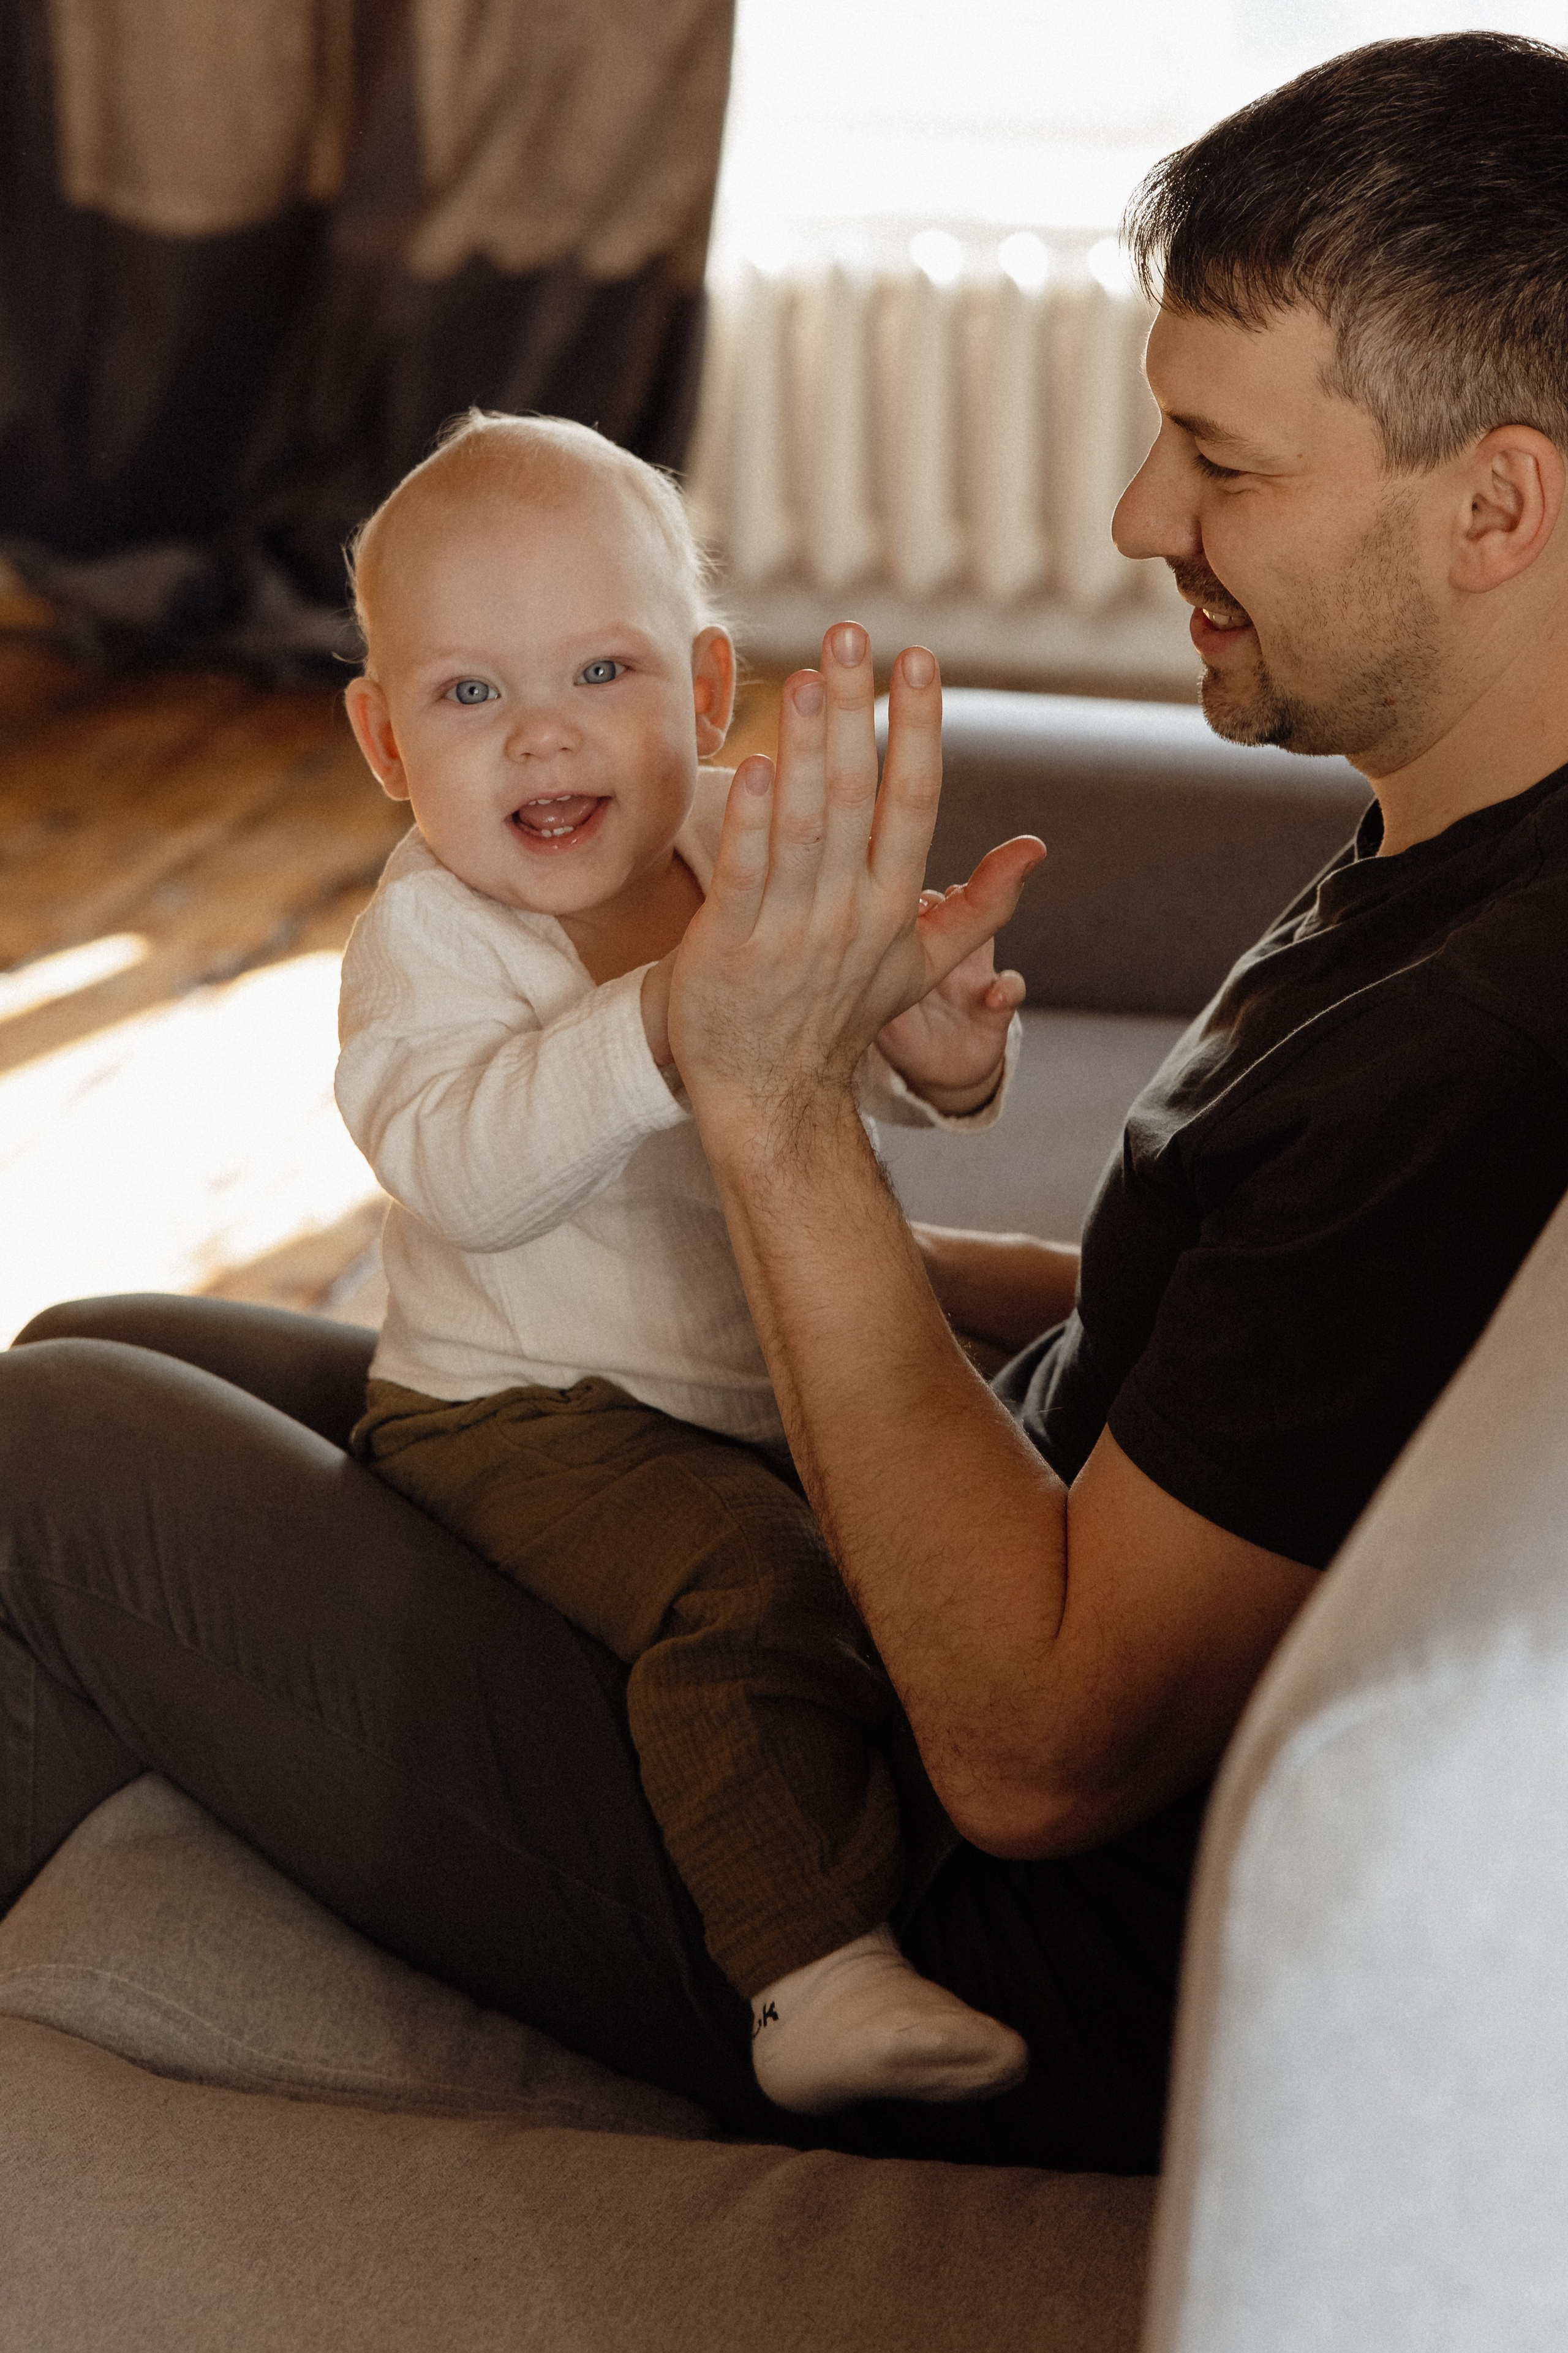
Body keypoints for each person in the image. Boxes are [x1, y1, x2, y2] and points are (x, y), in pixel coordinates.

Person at [4, 29, 1568, 2174]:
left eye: (1223, 461)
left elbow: (1035, 1750)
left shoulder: (1481, 1046)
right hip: (895, 1561)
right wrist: (897, 1273)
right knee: (114, 1345)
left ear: (1498, 501)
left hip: (911, 1862)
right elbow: (1226, 1337)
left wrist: (765, 1098)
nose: (1136, 518)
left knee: (48, 1446)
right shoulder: (1461, 834)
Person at [333, 410, 1030, 2115]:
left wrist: (940, 1052)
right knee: (748, 1579)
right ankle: (813, 1971)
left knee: (988, 1409)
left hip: (754, 1362)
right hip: (525, 1409)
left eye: (601, 668)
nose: (544, 734)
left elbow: (839, 1058)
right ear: (380, 736)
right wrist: (663, 1017)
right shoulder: (433, 931)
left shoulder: (744, 846)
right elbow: (460, 1169)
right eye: (470, 694)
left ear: (708, 694)